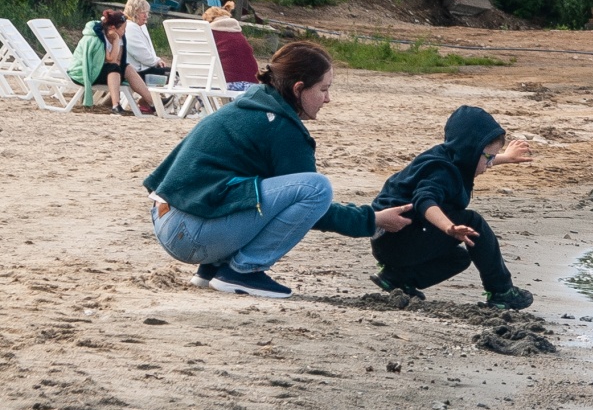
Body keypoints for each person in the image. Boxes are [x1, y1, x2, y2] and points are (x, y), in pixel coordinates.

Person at [143, 41, 411, 299]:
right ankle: (241, 271)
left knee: (259, 189)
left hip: (168, 220)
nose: (327, 99)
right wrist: (372, 220)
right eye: (323, 89)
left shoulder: (251, 104)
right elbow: (316, 210)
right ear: (298, 88)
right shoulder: (282, 129)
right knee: (316, 188)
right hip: (189, 235)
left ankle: (213, 267)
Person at [369, 106, 534, 309]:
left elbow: (475, 159)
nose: (490, 164)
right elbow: (424, 201)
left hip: (389, 240)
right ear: (471, 150)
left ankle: (397, 278)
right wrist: (449, 227)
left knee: (458, 258)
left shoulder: (451, 155)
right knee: (473, 222)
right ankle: (501, 290)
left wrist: (505, 158)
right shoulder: (442, 171)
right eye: (489, 157)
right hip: (397, 234)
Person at [70, 7, 158, 114]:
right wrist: (116, 40)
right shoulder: (97, 39)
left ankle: (152, 102)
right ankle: (116, 105)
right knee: (114, 67)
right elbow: (111, 59)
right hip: (84, 73)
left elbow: (119, 60)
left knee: (127, 67)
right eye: (123, 29)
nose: (124, 32)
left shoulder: (119, 36)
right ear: (112, 28)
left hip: (103, 70)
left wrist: (118, 40)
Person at [123, 0, 169, 82]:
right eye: (143, 13)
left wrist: (156, 60)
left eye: (147, 12)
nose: (146, 16)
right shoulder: (130, 27)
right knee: (175, 75)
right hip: (138, 72)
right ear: (135, 12)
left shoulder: (139, 26)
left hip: (144, 68)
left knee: (173, 72)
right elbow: (141, 54)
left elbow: (148, 51)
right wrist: (155, 61)